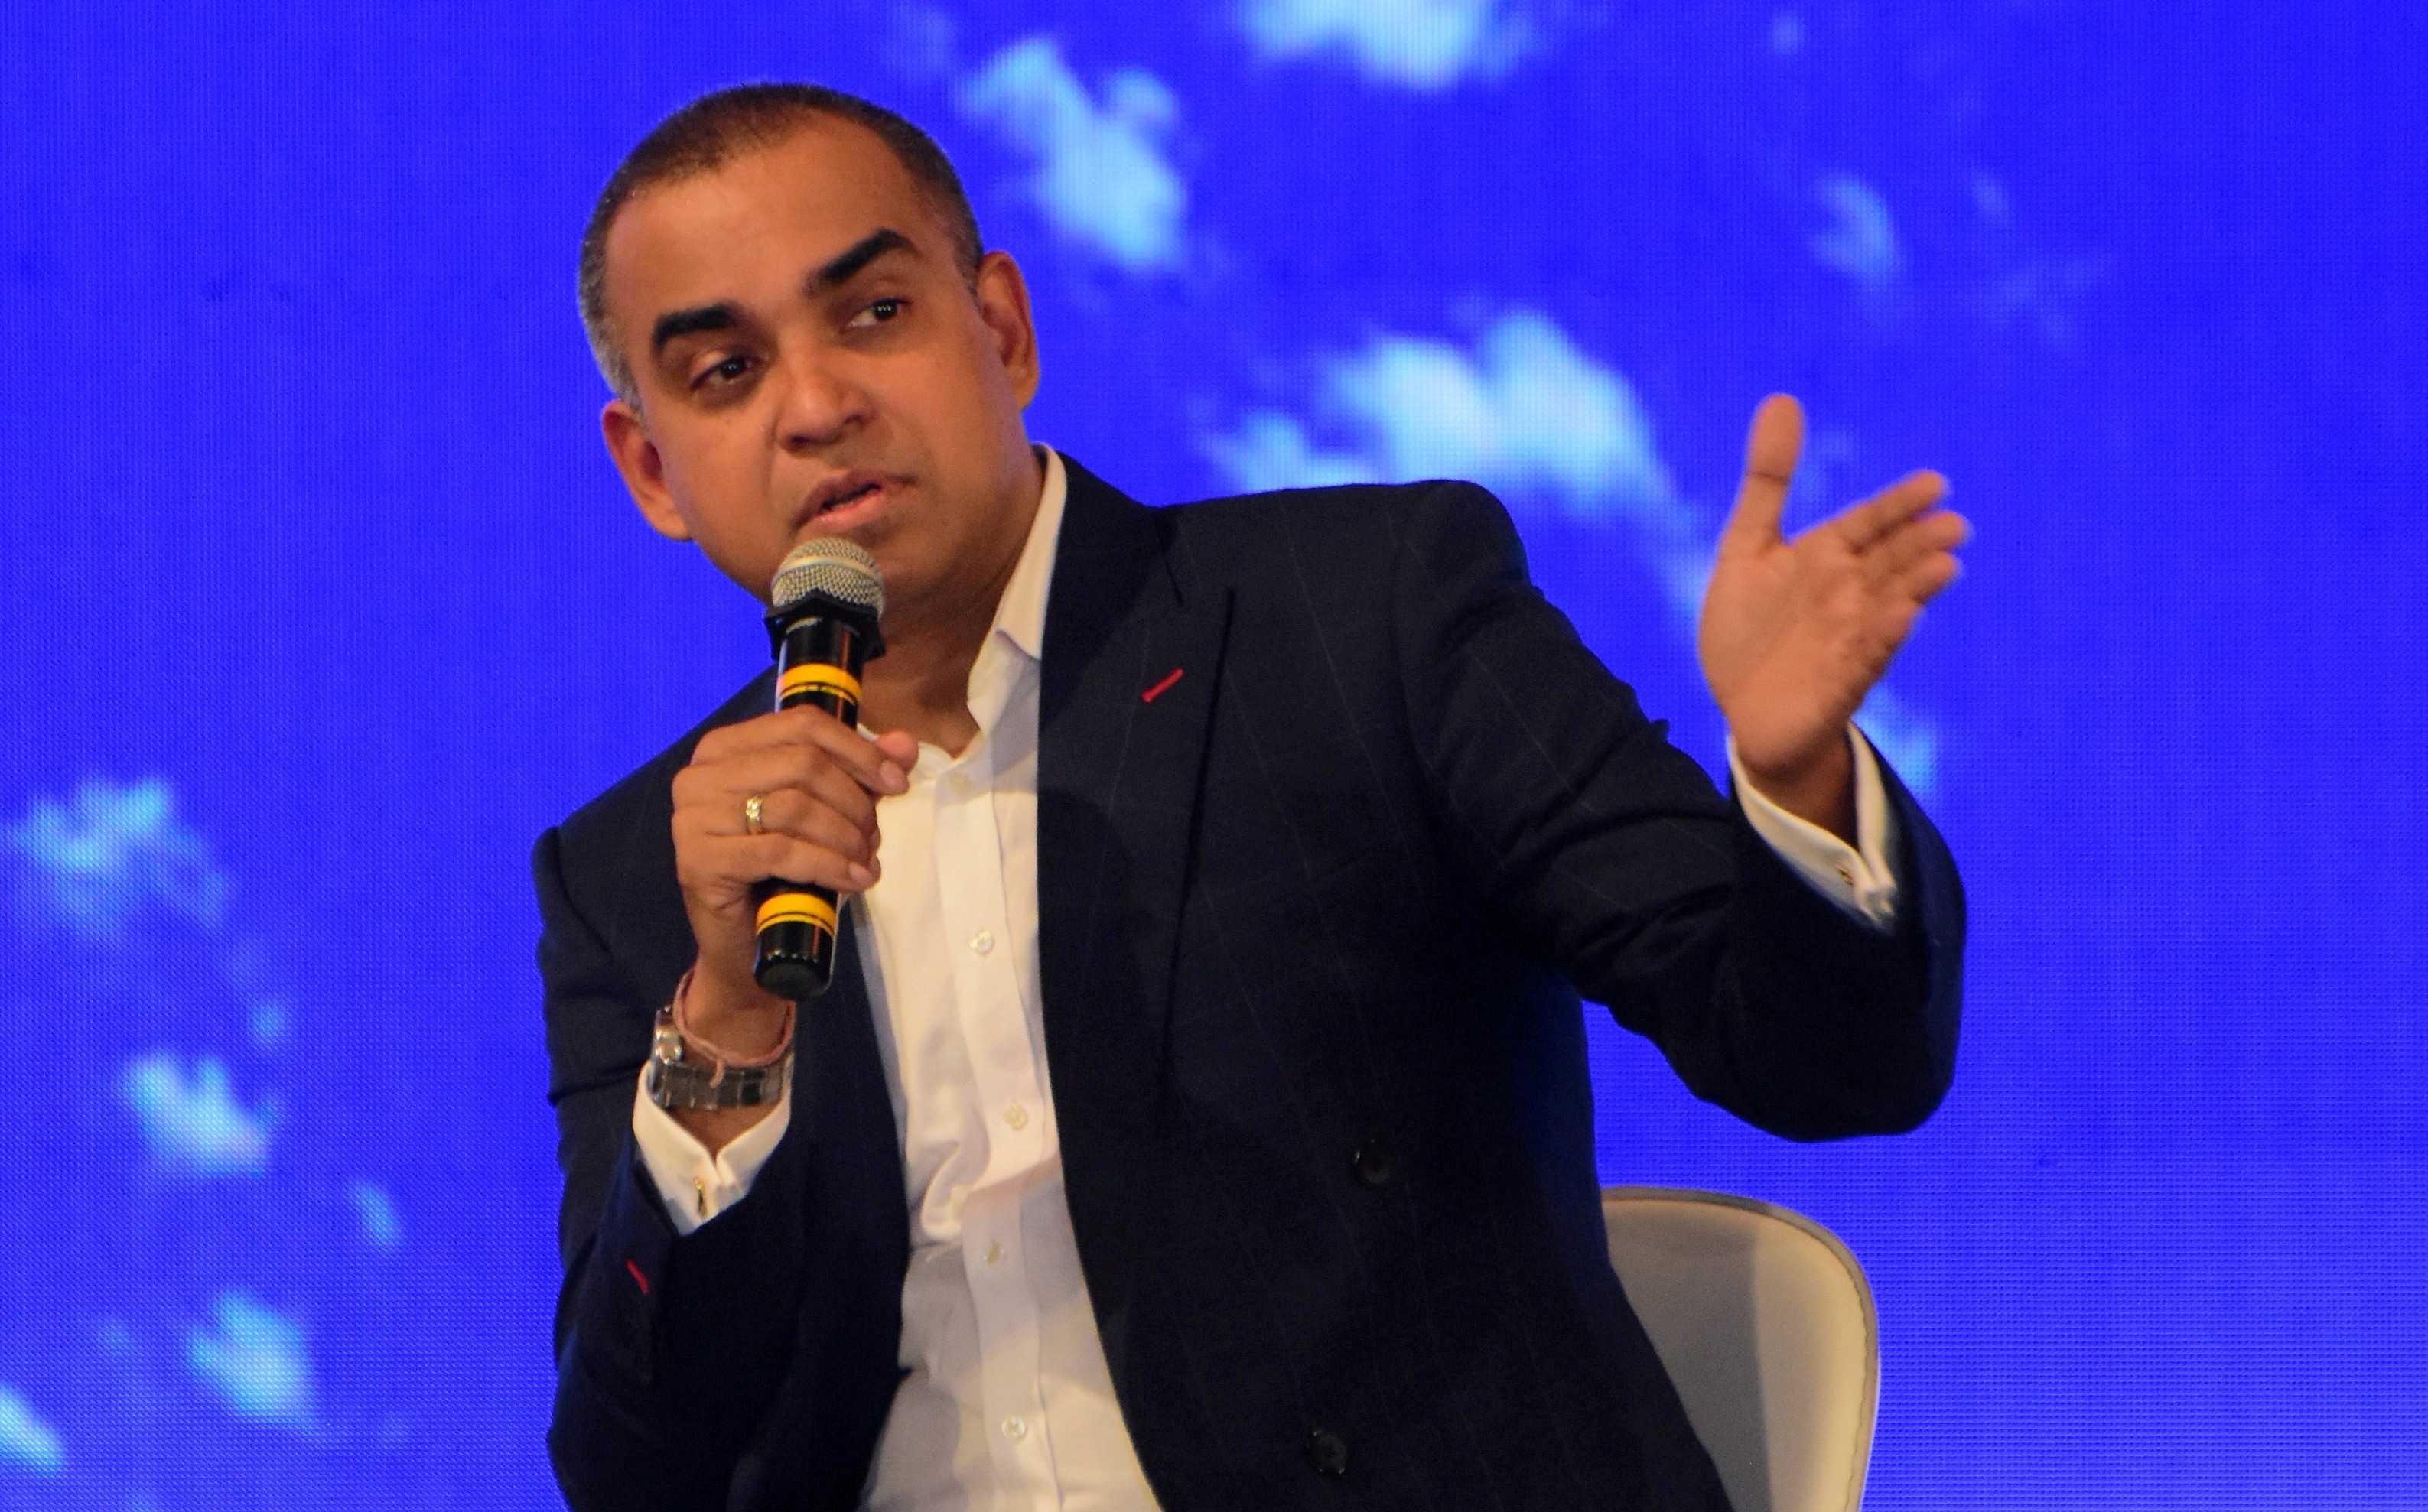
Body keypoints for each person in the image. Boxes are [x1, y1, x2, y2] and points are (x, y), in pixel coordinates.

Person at [537, 83, 1967, 1512]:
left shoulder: (1360, 619)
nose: (815, 407)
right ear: (651, 468)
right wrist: (730, 1020)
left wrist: (1791, 776)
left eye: (874, 313)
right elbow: (635, 1471)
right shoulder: (644, 872)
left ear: (1003, 329)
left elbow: (1827, 1061)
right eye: (725, 371)